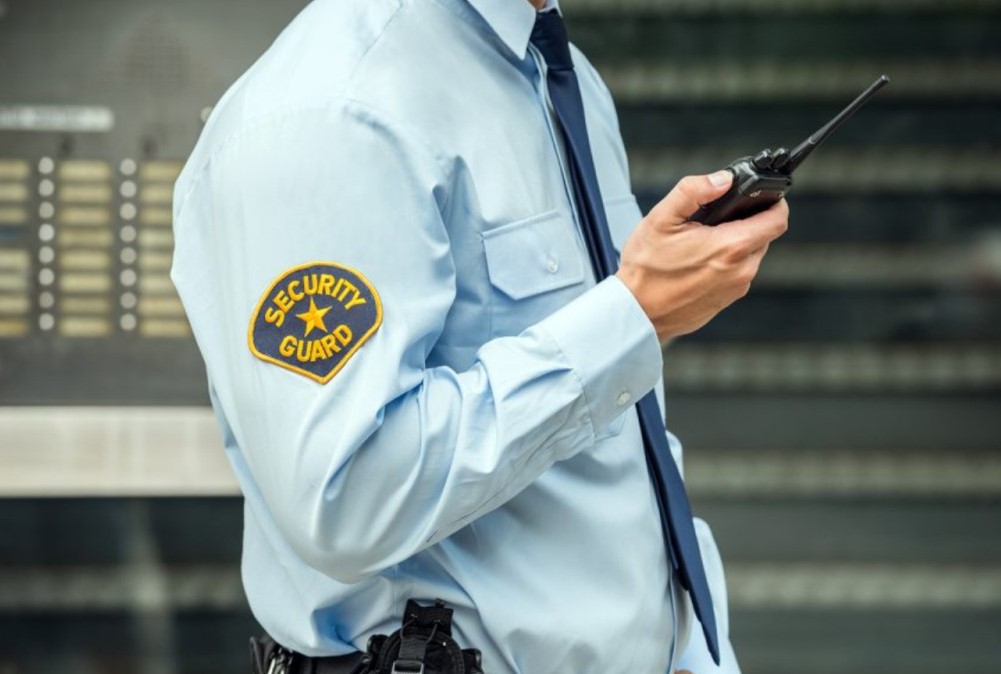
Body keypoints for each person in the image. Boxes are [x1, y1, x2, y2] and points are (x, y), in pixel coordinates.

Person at [171, 0, 788, 672]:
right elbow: (347, 499)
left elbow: (616, 447)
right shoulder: (332, 111)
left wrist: (692, 650)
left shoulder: (560, 72)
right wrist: (630, 317)